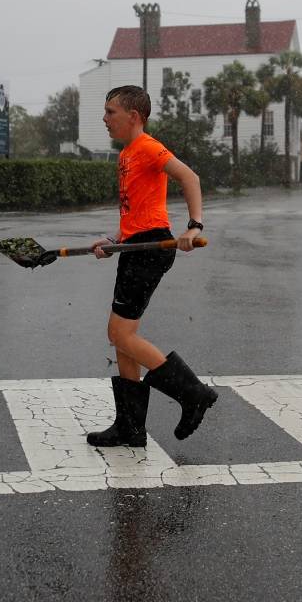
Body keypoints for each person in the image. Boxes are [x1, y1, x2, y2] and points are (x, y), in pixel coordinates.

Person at [86, 84, 215, 448]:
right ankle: (130, 427)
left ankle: (194, 394)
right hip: (135, 246)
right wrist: (115, 241)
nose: (105, 118)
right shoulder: (127, 154)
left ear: (134, 116)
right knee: (121, 340)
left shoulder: (148, 147)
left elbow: (190, 177)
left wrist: (195, 225)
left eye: (111, 111)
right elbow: (135, 213)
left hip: (151, 248)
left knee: (120, 334)